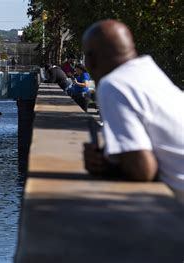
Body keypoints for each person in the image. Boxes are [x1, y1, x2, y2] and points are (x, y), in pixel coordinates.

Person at [82, 19, 184, 203]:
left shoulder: (113, 84)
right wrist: (110, 157)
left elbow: (142, 169)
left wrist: (107, 167)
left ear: (91, 59)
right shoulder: (149, 72)